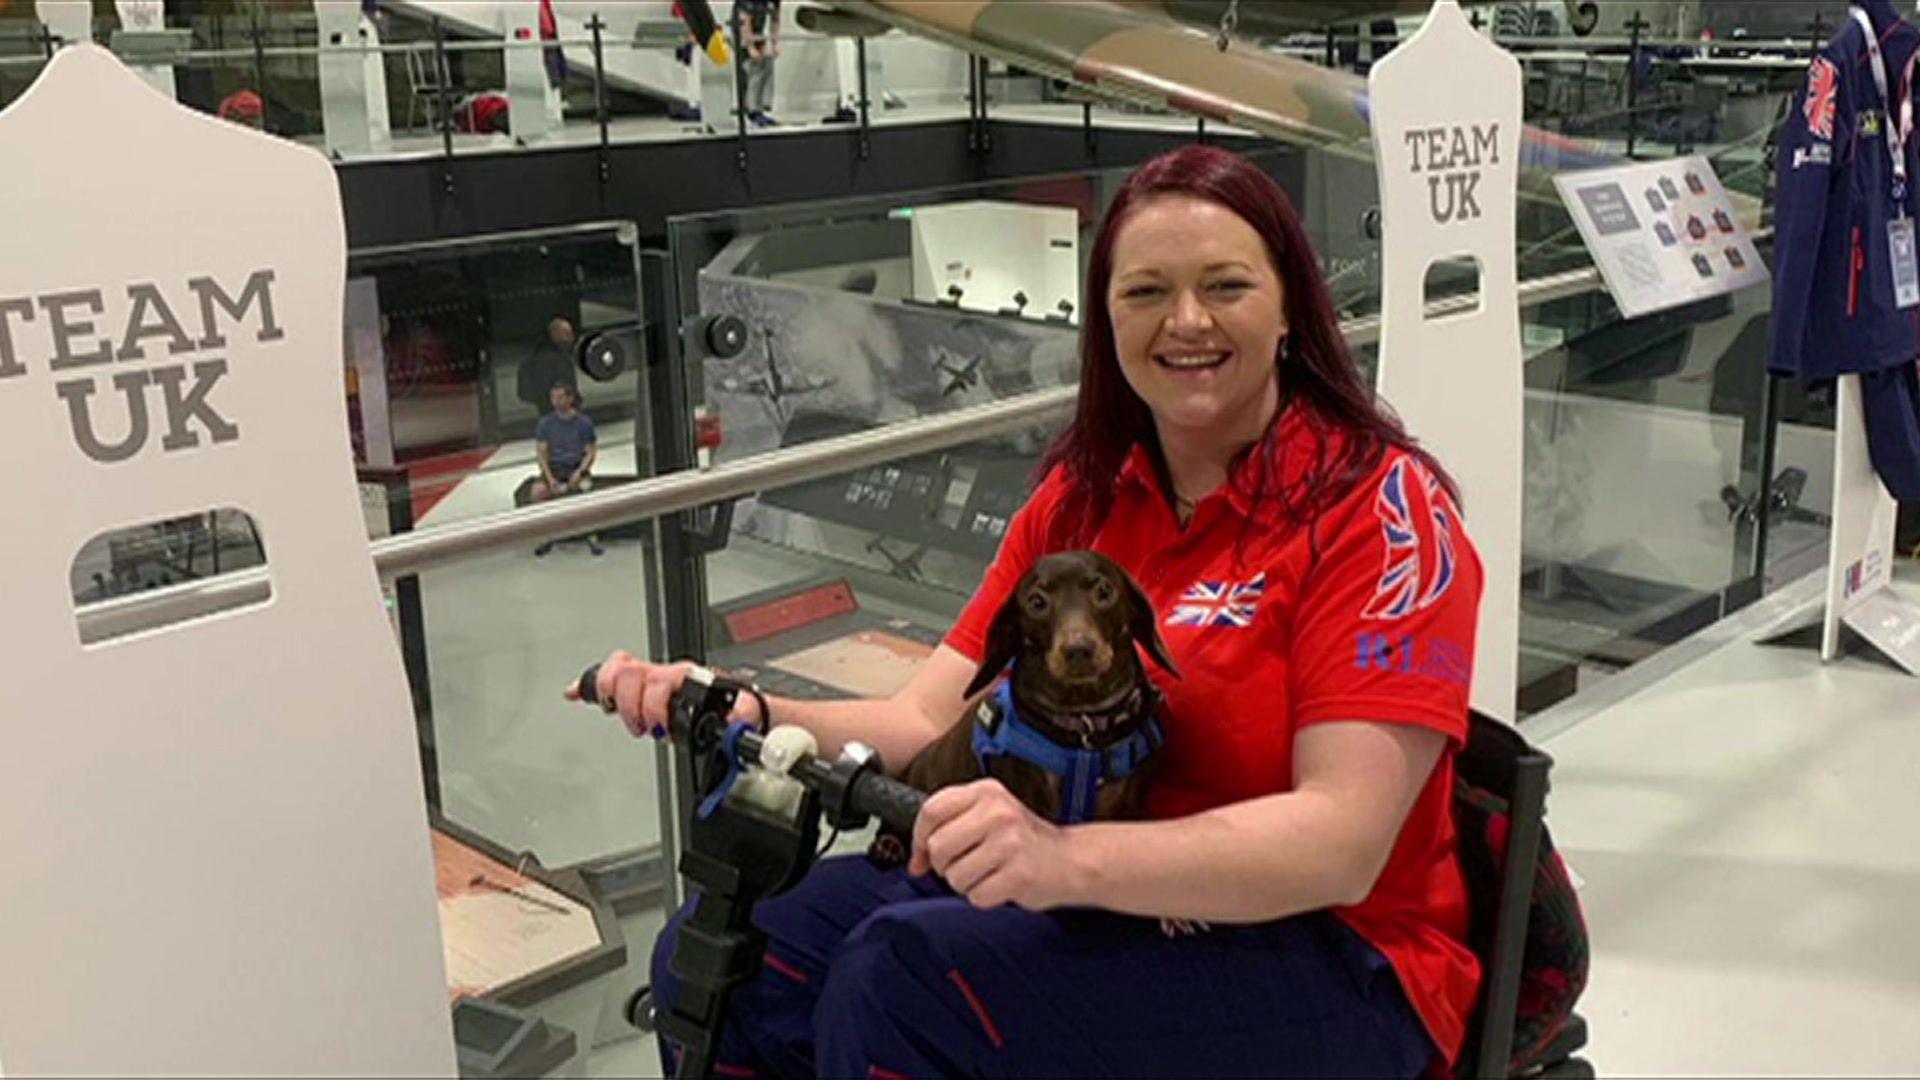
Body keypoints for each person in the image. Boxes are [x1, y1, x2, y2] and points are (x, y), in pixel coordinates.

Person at [581, 145, 1484, 1077]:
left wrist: (1061, 857)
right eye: (1144, 293)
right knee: (737, 951)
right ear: (1106, 318)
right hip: (1117, 900)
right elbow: (928, 716)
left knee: (904, 985)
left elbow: (1341, 843)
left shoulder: (1379, 510)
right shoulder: (1083, 500)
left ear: (1291, 305)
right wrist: (752, 708)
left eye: (1225, 286)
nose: (1186, 321)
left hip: (1332, 951)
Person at [531, 382, 602, 557]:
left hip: (576, 466)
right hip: (554, 469)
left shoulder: (584, 423)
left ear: (570, 398)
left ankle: (592, 535)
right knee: (538, 492)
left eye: (560, 397)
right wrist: (550, 478)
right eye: (553, 397)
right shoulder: (545, 424)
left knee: (586, 488)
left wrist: (580, 472)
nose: (556, 401)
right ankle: (545, 536)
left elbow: (590, 453)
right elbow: (542, 454)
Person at [517, 316, 579, 415]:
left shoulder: (533, 358)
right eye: (567, 334)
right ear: (555, 335)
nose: (571, 338)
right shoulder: (559, 361)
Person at [738, 0, 780, 127]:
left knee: (767, 65)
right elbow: (745, 21)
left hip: (758, 32)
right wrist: (750, 47)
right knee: (752, 70)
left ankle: (762, 108)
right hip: (742, 31)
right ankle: (751, 111)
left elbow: (775, 19)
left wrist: (775, 44)